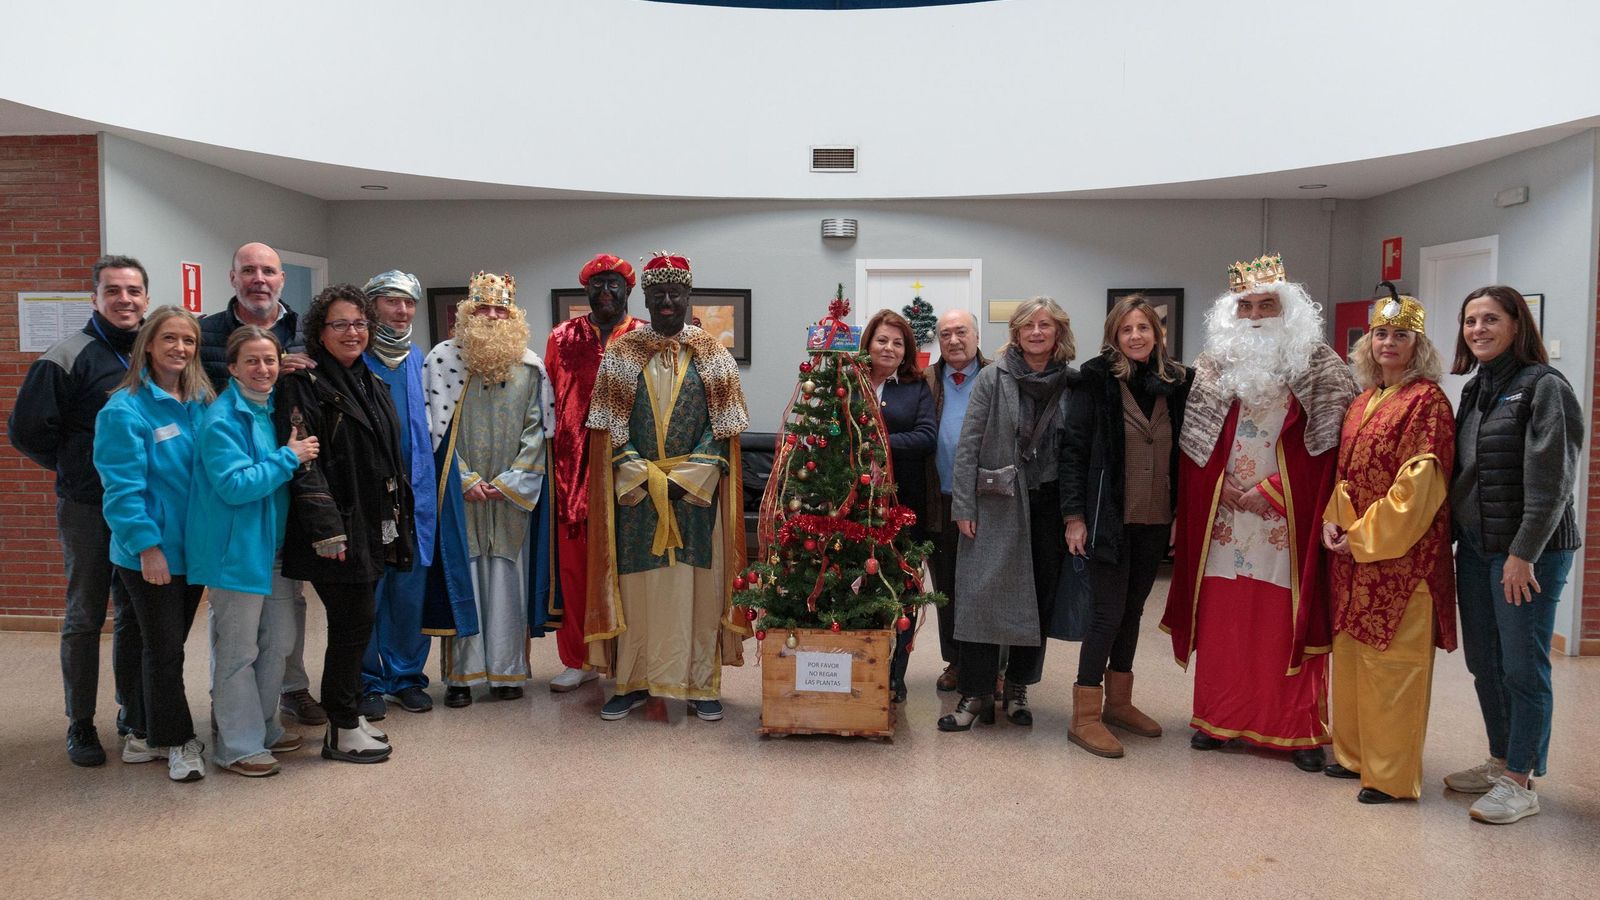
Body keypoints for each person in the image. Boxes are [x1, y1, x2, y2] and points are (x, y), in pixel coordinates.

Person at [1161, 254, 1358, 771]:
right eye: (1244, 305)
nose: (1254, 315)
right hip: (1224, 519)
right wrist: (1217, 483)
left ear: (1288, 309)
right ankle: (1216, 720)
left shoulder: (1320, 365)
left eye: (1266, 304)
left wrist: (1273, 489)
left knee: (1283, 621)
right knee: (1225, 619)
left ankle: (1295, 731)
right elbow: (1195, 444)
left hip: (1286, 520)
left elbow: (1333, 449)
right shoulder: (1211, 364)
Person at [583, 252, 751, 722]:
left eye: (676, 293)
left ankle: (700, 684)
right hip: (635, 497)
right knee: (639, 592)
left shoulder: (714, 356)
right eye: (658, 295)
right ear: (647, 298)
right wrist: (645, 476)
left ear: (690, 295)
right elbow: (608, 432)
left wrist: (682, 482)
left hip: (695, 498)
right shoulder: (620, 354)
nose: (668, 302)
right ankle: (632, 682)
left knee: (698, 590)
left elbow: (723, 431)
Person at [1443, 285, 1582, 825]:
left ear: (1517, 325)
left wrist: (1523, 554)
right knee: (1485, 664)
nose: (1478, 329)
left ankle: (1522, 780)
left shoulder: (1544, 387)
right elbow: (1466, 476)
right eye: (1470, 320)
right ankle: (1501, 761)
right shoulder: (1476, 389)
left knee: (1523, 666)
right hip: (1477, 549)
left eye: (1490, 319)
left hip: (1529, 554)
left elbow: (1553, 483)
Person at [8, 255, 148, 767]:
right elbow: (26, 432)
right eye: (113, 290)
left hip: (140, 508)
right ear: (95, 298)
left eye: (133, 290)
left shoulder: (151, 352)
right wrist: (75, 466)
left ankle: (133, 712)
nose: (124, 299)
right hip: (88, 507)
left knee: (134, 613)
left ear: (145, 299)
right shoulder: (67, 355)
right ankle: (80, 724)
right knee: (86, 616)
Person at [1319, 292, 1456, 803]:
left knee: (1394, 666)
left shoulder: (1427, 402)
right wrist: (1335, 525)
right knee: (1353, 657)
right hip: (1353, 556)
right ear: (1367, 342)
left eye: (1401, 335)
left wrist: (1361, 537)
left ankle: (1391, 776)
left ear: (1417, 343)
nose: (1389, 343)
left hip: (1402, 560)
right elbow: (1346, 476)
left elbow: (1418, 488)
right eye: (1381, 333)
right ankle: (1354, 756)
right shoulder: (1363, 399)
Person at [275, 284, 415, 763]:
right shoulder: (303, 383)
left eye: (358, 323)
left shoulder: (367, 379)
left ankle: (349, 716)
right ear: (319, 330)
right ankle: (340, 724)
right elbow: (303, 462)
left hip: (371, 522)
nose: (352, 332)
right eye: (340, 324)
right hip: (335, 529)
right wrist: (327, 529)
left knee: (358, 621)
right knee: (353, 621)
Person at [197, 241, 324, 729]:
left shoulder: (305, 334)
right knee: (237, 635)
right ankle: (237, 727)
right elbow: (231, 477)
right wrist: (287, 456)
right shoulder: (207, 340)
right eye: (248, 270)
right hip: (237, 512)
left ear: (281, 279)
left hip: (282, 508)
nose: (259, 278)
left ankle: (274, 710)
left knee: (281, 625)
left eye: (268, 270)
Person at [1060, 294, 1191, 758]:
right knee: (1106, 613)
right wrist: (1073, 517)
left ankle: (1119, 703)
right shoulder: (1095, 381)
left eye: (1144, 329)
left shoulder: (1177, 382)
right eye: (1127, 329)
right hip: (1106, 517)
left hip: (1154, 517)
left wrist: (1179, 515)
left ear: (1158, 335)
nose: (1136, 336)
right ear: (1114, 336)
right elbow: (1073, 450)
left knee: (1133, 611)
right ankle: (1085, 714)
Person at [940, 297, 1077, 732]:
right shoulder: (991, 378)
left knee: (1036, 601)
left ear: (1059, 333)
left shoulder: (1073, 385)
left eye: (1045, 325)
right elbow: (968, 446)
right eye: (1028, 326)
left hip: (1049, 508)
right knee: (980, 598)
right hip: (995, 505)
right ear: (1015, 334)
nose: (1036, 332)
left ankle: (1017, 689)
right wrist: (963, 505)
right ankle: (975, 694)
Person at [188, 327, 318, 777]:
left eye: (270, 360)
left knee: (278, 644)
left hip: (277, 549)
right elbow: (235, 485)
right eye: (252, 361)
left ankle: (265, 728)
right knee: (239, 650)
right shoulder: (223, 419)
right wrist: (289, 457)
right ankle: (237, 745)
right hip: (236, 553)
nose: (262, 369)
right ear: (233, 368)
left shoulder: (271, 410)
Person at [93, 306, 215, 781]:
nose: (180, 348)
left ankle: (143, 733)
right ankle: (177, 741)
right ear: (148, 344)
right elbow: (121, 491)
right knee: (166, 650)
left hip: (191, 548)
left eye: (188, 340)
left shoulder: (201, 400)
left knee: (161, 644)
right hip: (150, 552)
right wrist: (148, 547)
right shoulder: (124, 409)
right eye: (170, 339)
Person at [423, 272, 550, 708]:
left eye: (501, 308)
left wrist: (513, 481)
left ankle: (506, 673)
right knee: (465, 575)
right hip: (462, 497)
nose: (492, 316)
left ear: (513, 315)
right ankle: (460, 677)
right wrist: (464, 479)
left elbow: (539, 430)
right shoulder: (443, 361)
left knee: (507, 580)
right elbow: (433, 433)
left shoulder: (531, 367)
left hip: (511, 497)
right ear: (467, 313)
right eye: (483, 307)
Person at [545, 254, 646, 692]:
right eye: (597, 284)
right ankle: (578, 658)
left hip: (633, 467)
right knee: (576, 570)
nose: (605, 291)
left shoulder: (645, 337)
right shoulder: (563, 336)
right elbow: (545, 403)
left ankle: (631, 658)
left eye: (614, 283)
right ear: (585, 290)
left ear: (628, 290)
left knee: (632, 570)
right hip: (573, 472)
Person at [356, 271, 439, 719]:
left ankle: (407, 676)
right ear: (371, 306)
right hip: (370, 496)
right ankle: (368, 679)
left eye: (408, 304)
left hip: (414, 495)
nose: (402, 311)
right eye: (392, 302)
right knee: (370, 589)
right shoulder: (355, 358)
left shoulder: (416, 358)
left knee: (410, 589)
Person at [861, 309, 937, 704]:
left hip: (903, 506)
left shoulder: (915, 386)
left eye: (897, 342)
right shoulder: (847, 381)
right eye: (882, 340)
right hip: (849, 507)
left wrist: (879, 450)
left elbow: (926, 436)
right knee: (854, 583)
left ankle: (894, 674)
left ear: (906, 350)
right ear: (868, 343)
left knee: (901, 588)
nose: (888, 348)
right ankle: (857, 665)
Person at [923, 309, 988, 693]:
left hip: (987, 501)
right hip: (940, 500)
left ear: (977, 336)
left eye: (961, 332)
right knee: (946, 586)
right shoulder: (927, 379)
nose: (953, 340)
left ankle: (991, 667)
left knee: (986, 587)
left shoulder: (997, 376)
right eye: (945, 334)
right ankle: (956, 662)